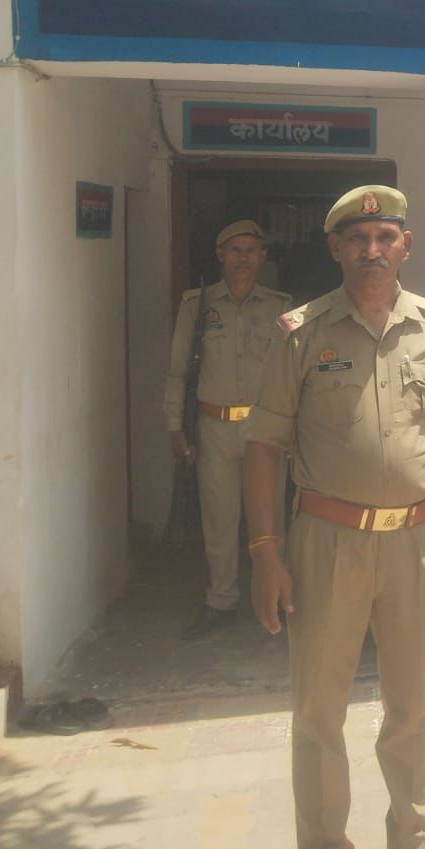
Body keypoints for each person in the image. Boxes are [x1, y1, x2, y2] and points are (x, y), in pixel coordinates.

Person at [243, 185, 425, 849]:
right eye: (357, 238)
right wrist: (264, 552)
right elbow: (262, 446)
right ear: (336, 248)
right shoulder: (302, 333)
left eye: (385, 238)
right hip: (328, 544)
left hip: (418, 543)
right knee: (318, 713)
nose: (371, 250)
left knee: (412, 709)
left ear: (406, 245)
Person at [164, 219, 291, 640]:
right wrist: (174, 425)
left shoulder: (280, 307)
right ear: (220, 255)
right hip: (214, 427)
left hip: (264, 430)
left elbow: (291, 374)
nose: (243, 258)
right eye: (234, 250)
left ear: (262, 256)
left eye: (251, 250)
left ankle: (275, 596)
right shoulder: (197, 306)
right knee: (219, 519)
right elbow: (179, 371)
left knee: (270, 518)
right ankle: (221, 601)